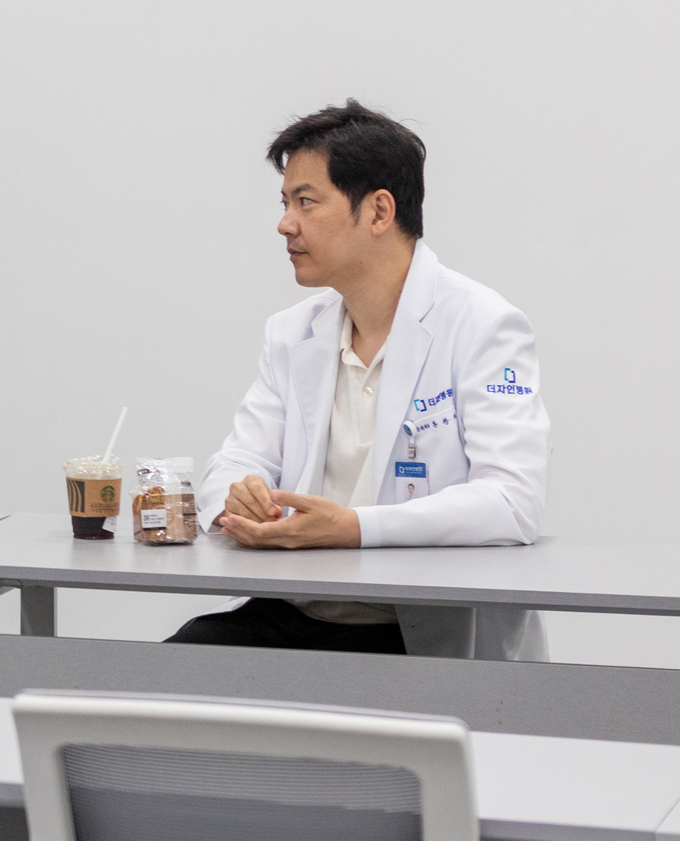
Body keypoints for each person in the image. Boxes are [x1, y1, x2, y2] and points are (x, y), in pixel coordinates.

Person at [173, 102, 548, 661]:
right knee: (160, 675)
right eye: (284, 203)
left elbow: (512, 501)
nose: (285, 224)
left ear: (378, 211)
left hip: (414, 629)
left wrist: (352, 528)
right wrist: (240, 494)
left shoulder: (483, 326)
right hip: (293, 611)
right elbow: (234, 462)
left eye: (305, 201)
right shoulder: (291, 334)